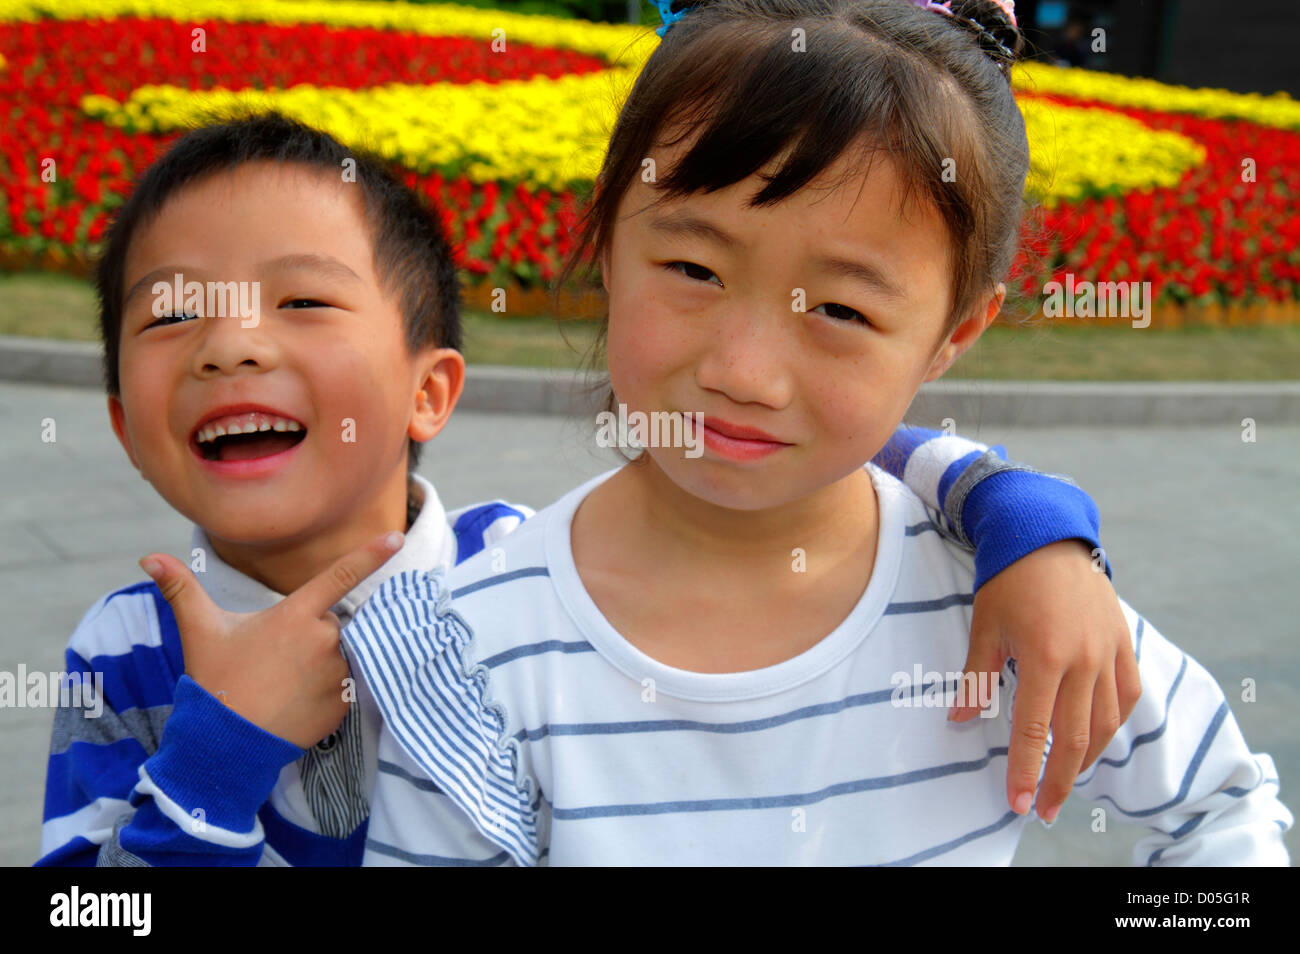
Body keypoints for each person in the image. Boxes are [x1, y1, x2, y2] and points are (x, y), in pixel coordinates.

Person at [38, 102, 1130, 866]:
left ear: (431, 391)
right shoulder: (127, 655)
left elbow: (780, 453)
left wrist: (1019, 517)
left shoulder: (511, 574)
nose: (229, 348)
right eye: (171, 312)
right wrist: (212, 758)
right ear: (128, 425)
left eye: (304, 303)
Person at [344, 0, 1291, 866]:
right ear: (606, 243)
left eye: (839, 310)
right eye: (693, 269)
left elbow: (1224, 813)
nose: (743, 372)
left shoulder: (1009, 607)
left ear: (955, 334)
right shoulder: (475, 648)